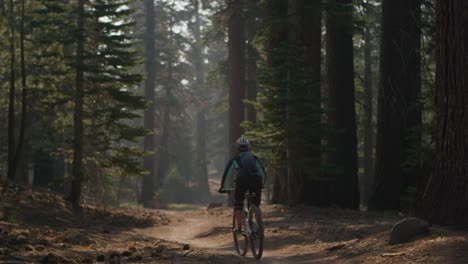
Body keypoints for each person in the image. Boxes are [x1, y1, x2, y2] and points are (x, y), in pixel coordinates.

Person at [219, 137, 266, 233]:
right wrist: (262, 184)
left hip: (242, 180)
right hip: (256, 180)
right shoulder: (254, 157)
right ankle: (259, 227)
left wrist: (223, 187)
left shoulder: (235, 159)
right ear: (248, 147)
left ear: (238, 148)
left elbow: (227, 173)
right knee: (255, 204)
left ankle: (239, 228)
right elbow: (263, 172)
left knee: (238, 203)